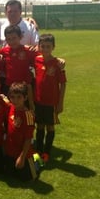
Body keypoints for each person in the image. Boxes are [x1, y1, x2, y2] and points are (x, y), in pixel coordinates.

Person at [34, 33, 67, 163]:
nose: (45, 49)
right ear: (39, 46)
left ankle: (47, 152)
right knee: (39, 125)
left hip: (51, 102)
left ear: (53, 47)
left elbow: (63, 84)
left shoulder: (57, 64)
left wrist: (60, 103)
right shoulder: (36, 60)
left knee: (50, 127)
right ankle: (39, 150)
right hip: (38, 101)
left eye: (48, 46)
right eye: (43, 46)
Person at [0, 25, 37, 108]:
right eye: (9, 39)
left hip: (25, 86)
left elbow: (43, 57)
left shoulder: (28, 50)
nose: (12, 41)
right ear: (6, 39)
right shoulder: (5, 50)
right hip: (10, 86)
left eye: (14, 38)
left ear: (20, 37)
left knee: (27, 110)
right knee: (10, 110)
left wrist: (58, 60)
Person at [3, 82, 38, 182]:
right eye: (13, 97)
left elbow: (28, 139)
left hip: (23, 154)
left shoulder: (28, 116)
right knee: (9, 176)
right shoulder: (11, 107)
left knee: (29, 179)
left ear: (25, 98)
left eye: (19, 97)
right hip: (11, 152)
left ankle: (36, 161)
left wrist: (22, 158)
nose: (15, 100)